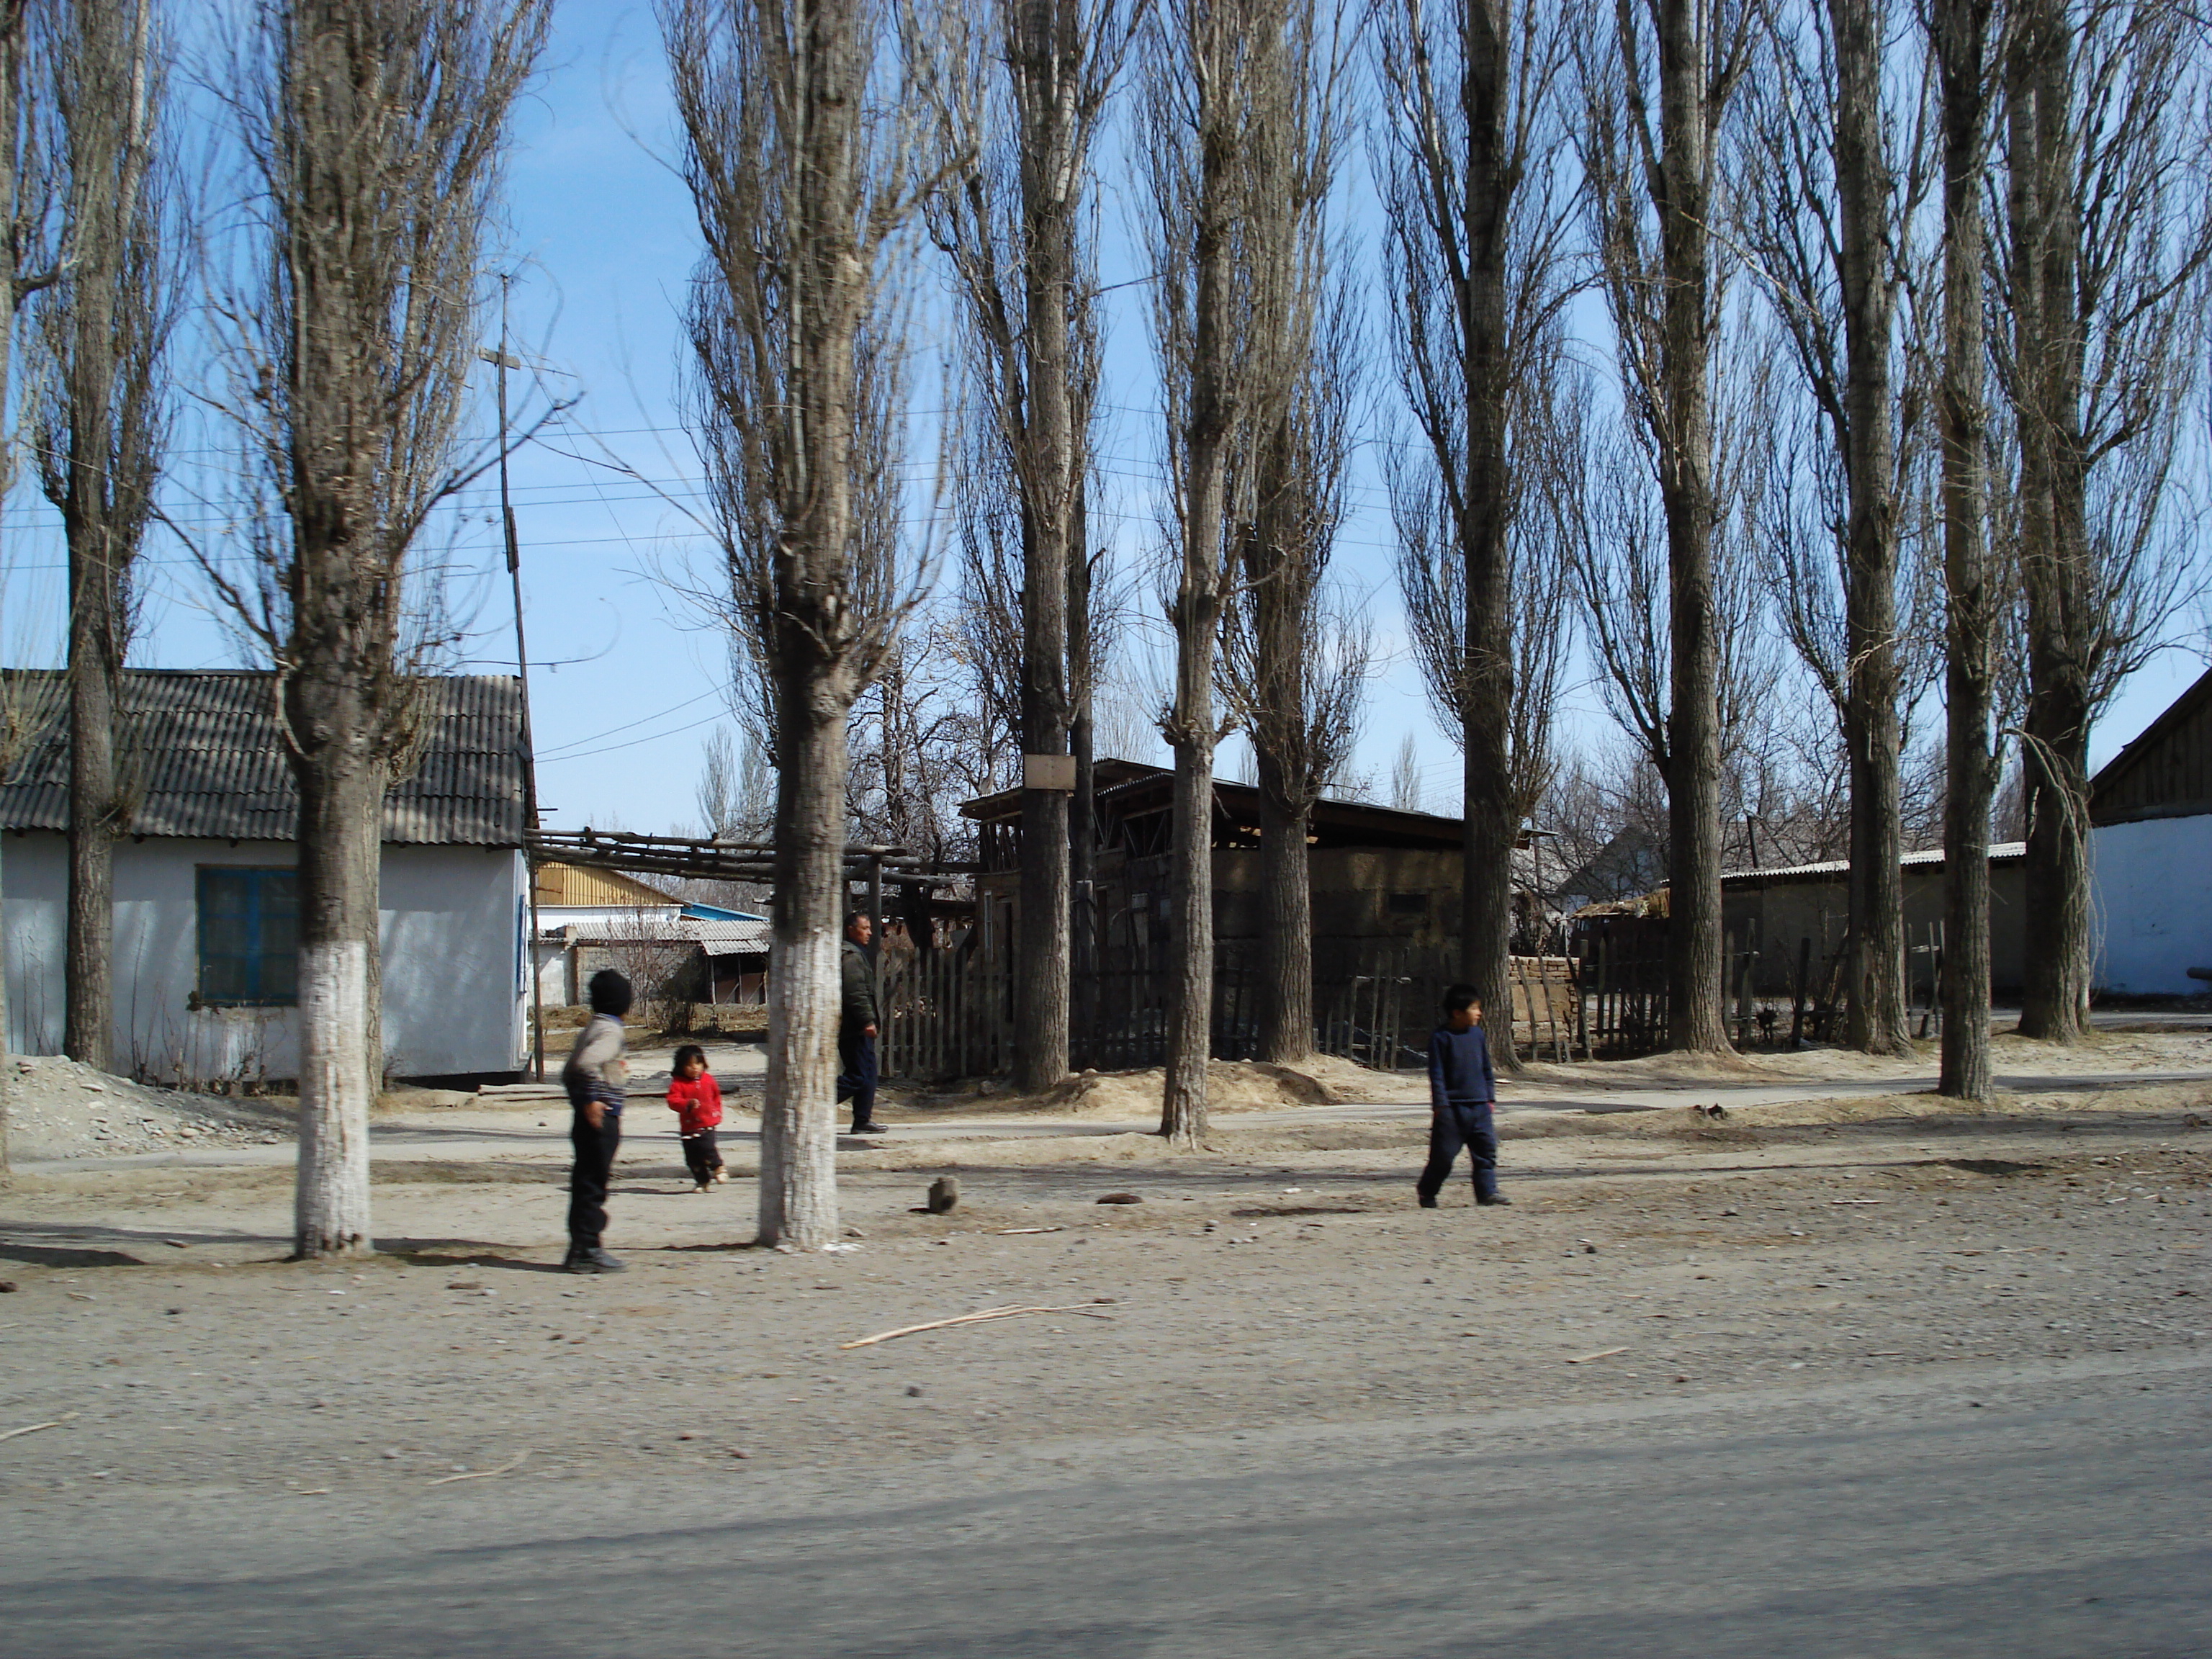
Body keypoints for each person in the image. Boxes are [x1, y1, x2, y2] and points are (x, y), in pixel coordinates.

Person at [562, 968, 633, 1272]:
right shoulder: (610, 1031)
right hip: (601, 1121)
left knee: (585, 1182)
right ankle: (587, 1250)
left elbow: (568, 1071)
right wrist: (591, 1102)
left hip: (586, 1119)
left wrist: (580, 1102)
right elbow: (586, 1064)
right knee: (593, 1184)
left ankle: (580, 1247)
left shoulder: (594, 1027)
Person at [1417, 982, 1509, 1209]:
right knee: (1443, 1158)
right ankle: (1427, 1191)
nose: (1479, 1013)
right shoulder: (1441, 1037)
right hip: (1452, 1110)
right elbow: (1436, 1074)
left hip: (1480, 1107)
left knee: (1486, 1153)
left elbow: (1487, 1069)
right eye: (1475, 1008)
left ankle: (1488, 1193)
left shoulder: (1477, 1035)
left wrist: (1489, 1098)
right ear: (1458, 1013)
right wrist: (1441, 1106)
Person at [836, 910, 888, 1136]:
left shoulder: (857, 952)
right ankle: (813, 1106)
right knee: (858, 1075)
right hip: (853, 1026)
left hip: (856, 1025)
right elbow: (855, 992)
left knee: (868, 1073)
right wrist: (867, 1020)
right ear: (851, 929)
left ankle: (862, 1120)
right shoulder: (850, 955)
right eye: (864, 928)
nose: (870, 932)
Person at [666, 1043, 727, 1192]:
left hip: (707, 1123)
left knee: (707, 1148)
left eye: (698, 1063)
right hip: (688, 1127)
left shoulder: (708, 1080)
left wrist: (717, 1113)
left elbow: (716, 1098)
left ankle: (718, 1167)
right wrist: (686, 1104)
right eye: (689, 1065)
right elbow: (673, 1101)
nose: (695, 1068)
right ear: (681, 1067)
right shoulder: (678, 1084)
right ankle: (702, 1181)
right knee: (692, 1158)